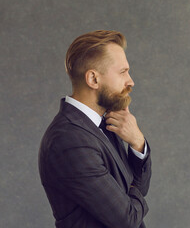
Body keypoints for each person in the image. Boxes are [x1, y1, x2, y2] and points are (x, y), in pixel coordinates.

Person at [39, 30, 152, 228]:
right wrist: (136, 191)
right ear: (93, 79)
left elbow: (131, 193)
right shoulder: (69, 140)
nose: (130, 81)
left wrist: (137, 143)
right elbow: (128, 219)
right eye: (122, 72)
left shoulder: (104, 124)